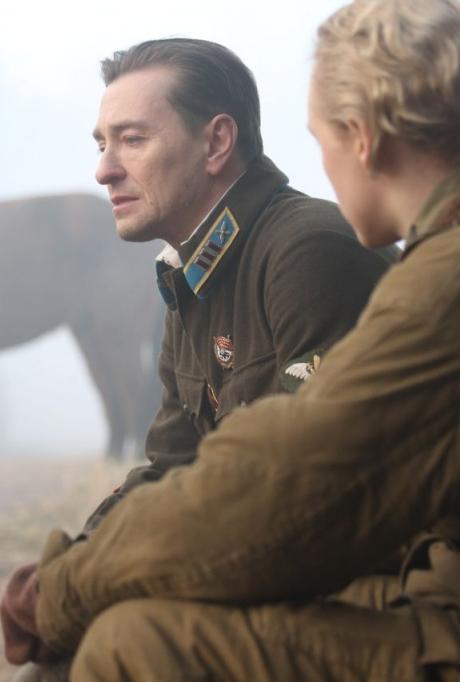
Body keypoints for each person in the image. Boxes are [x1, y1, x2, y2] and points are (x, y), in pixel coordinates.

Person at [3, 1, 460, 679]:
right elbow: (184, 465)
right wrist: (78, 572)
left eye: (319, 135)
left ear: (363, 137)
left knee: (137, 643)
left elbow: (287, 486)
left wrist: (66, 590)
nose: (105, 170)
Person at [1, 37, 394, 679]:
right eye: (101, 145)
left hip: (359, 603)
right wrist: (73, 563)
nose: (104, 171)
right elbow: (170, 467)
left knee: (103, 650)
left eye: (132, 140)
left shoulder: (307, 254)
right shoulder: (193, 277)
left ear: (216, 143)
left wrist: (80, 587)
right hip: (270, 580)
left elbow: (304, 499)